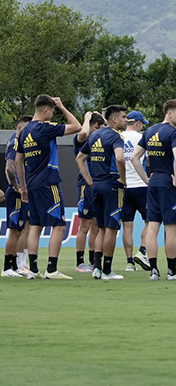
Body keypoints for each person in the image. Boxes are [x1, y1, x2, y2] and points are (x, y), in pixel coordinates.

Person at [15, 95, 82, 280]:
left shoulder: (24, 132)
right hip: (48, 182)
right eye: (52, 110)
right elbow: (77, 126)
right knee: (59, 225)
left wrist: (23, 187)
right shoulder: (45, 128)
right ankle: (51, 269)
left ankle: (33, 269)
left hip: (32, 184)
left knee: (35, 225)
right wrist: (62, 106)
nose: (53, 113)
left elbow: (18, 161)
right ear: (46, 110)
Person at [131, 99, 176, 281]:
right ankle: (172, 272)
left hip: (154, 181)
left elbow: (135, 158)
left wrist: (146, 179)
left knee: (152, 228)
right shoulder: (174, 133)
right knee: (171, 229)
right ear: (170, 113)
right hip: (168, 182)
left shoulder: (150, 131)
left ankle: (154, 271)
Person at [76, 105, 128, 280]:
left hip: (96, 186)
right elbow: (120, 157)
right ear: (114, 119)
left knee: (100, 228)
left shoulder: (95, 135)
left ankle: (97, 268)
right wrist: (123, 178)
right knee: (111, 229)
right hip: (112, 185)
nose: (125, 120)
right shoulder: (115, 136)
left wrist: (90, 180)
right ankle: (107, 270)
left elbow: (80, 158)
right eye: (123, 117)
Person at [73, 111, 105, 273]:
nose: (99, 130)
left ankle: (93, 262)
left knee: (96, 226)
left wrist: (102, 119)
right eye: (96, 127)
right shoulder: (82, 139)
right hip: (86, 186)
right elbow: (84, 132)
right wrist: (87, 118)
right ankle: (80, 262)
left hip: (100, 185)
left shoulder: (100, 140)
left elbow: (110, 128)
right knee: (84, 225)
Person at [2, 115, 32, 277]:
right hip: (17, 194)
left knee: (25, 228)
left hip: (24, 192)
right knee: (15, 230)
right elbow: (9, 168)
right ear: (21, 128)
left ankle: (18, 264)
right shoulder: (15, 142)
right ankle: (7, 267)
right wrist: (17, 187)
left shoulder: (22, 142)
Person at [121, 110, 151, 272]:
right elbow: (149, 159)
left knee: (127, 226)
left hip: (124, 187)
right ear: (138, 123)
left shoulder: (119, 137)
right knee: (150, 221)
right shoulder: (142, 138)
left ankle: (129, 262)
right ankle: (143, 251)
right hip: (141, 185)